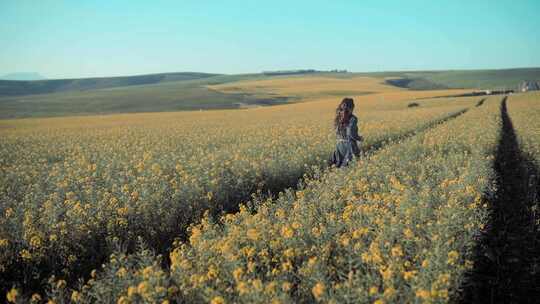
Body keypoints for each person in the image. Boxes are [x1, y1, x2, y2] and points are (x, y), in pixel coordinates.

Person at [329, 98, 363, 168]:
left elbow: (336, 132)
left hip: (339, 146)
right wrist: (359, 138)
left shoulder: (338, 117)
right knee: (352, 167)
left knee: (339, 165)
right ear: (351, 108)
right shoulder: (353, 118)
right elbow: (351, 133)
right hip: (349, 146)